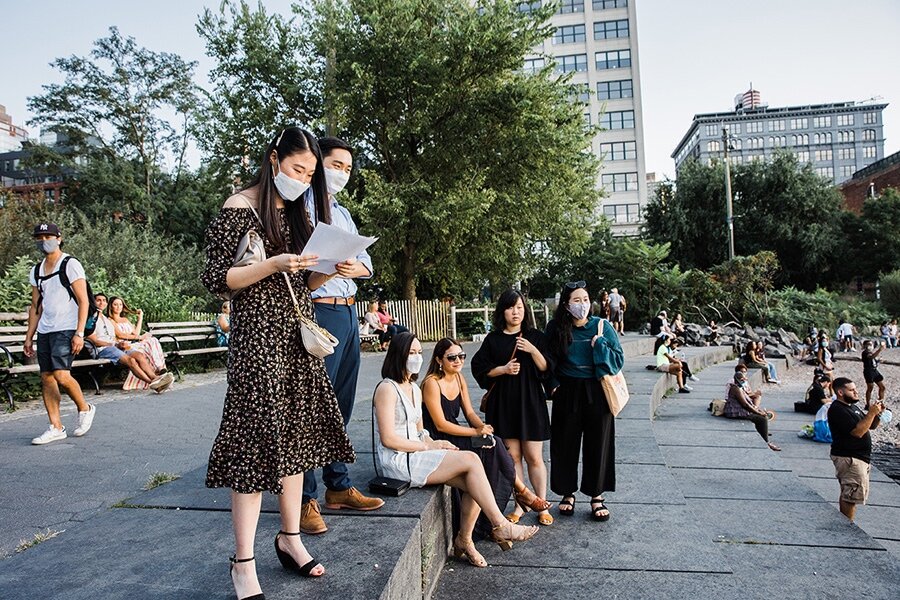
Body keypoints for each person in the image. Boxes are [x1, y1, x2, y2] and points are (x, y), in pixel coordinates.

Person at [200, 126, 356, 599]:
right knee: (252, 448)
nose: (304, 179)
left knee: (298, 441)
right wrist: (271, 264)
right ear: (273, 160)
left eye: (310, 174)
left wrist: (329, 269)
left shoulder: (297, 212)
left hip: (297, 337)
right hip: (257, 341)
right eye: (297, 169)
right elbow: (216, 279)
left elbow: (302, 287)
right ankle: (243, 561)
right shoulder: (238, 206)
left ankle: (290, 539)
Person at [374, 332, 539, 567]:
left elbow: (421, 431)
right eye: (411, 353)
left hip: (418, 452)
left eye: (420, 352)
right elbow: (389, 439)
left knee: (473, 476)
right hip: (398, 461)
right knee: (472, 460)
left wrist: (435, 444)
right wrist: (427, 446)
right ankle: (501, 525)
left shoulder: (413, 387)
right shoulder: (387, 389)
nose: (417, 357)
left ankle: (464, 539)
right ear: (398, 355)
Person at [302, 136, 384, 535]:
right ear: (318, 163)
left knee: (341, 404)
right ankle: (305, 499)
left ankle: (338, 485)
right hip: (318, 312)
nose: (342, 173)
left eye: (349, 169)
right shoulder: (300, 209)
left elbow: (367, 263)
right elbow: (301, 270)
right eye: (337, 165)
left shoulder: (345, 214)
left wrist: (354, 268)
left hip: (349, 313)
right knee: (311, 404)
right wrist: (334, 267)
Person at [421, 338, 550, 534]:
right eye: (452, 357)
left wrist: (483, 427)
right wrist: (475, 432)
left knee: (494, 441)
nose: (458, 361)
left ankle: (518, 496)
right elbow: (441, 424)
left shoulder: (458, 378)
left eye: (461, 356)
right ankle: (522, 493)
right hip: (440, 437)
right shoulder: (432, 383)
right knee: (491, 449)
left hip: (456, 431)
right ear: (439, 360)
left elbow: (470, 413)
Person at [471, 290, 553, 526]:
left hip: (530, 402)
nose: (515, 312)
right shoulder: (493, 339)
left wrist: (532, 349)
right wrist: (503, 369)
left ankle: (542, 504)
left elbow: (547, 368)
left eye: (519, 307)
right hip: (504, 404)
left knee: (534, 457)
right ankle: (520, 505)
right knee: (512, 456)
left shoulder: (535, 336)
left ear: (524, 309)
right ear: (502, 311)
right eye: (510, 307)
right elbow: (480, 368)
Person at [545, 281, 624, 521]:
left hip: (597, 389)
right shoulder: (555, 328)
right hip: (567, 389)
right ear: (567, 305)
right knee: (564, 443)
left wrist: (600, 346)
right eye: (576, 300)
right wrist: (553, 386)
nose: (583, 305)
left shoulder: (602, 326)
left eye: (586, 299)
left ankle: (596, 495)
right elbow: (547, 361)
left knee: (598, 444)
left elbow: (618, 360)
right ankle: (566, 492)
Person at [24, 222, 96, 445]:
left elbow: (83, 300)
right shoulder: (36, 271)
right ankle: (56, 426)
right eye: (40, 237)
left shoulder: (70, 264)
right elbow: (36, 306)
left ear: (59, 238)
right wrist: (29, 336)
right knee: (46, 376)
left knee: (61, 374)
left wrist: (79, 333)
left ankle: (85, 408)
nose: (44, 240)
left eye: (49, 236)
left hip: (67, 328)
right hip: (46, 329)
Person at [88, 293, 173, 392]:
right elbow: (94, 341)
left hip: (115, 347)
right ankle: (153, 383)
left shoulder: (105, 319)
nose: (101, 302)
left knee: (139, 355)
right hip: (104, 349)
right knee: (131, 361)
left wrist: (120, 344)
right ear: (93, 302)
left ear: (106, 303)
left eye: (104, 300)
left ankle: (155, 378)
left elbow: (113, 337)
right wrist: (115, 344)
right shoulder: (90, 318)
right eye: (98, 300)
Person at [827, 377, 884, 521]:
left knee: (848, 493)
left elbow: (869, 426)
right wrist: (871, 413)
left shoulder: (852, 406)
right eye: (851, 390)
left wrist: (877, 414)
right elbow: (858, 433)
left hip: (857, 457)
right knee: (850, 496)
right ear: (840, 392)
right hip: (850, 458)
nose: (856, 392)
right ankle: (847, 527)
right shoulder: (837, 409)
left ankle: (844, 523)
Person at [724, 371, 780, 451]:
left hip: (740, 409)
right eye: (742, 380)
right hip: (736, 412)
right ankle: (766, 442)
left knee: (760, 416)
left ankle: (763, 434)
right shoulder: (735, 389)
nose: (744, 381)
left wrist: (757, 409)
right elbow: (745, 405)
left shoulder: (739, 387)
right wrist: (757, 412)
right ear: (737, 379)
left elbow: (748, 401)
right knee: (762, 419)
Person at [862, 340, 886, 408]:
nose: (870, 345)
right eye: (869, 344)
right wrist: (879, 350)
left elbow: (873, 359)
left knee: (882, 387)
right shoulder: (865, 353)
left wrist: (878, 360)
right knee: (870, 388)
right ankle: (868, 404)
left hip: (875, 371)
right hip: (868, 371)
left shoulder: (871, 352)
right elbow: (871, 356)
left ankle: (880, 402)